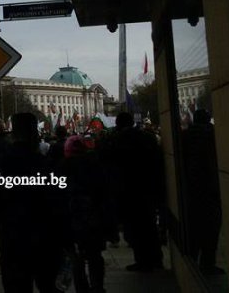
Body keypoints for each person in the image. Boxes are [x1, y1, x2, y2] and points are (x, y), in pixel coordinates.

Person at [0, 113, 62, 292]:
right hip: (44, 238)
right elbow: (57, 202)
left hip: (12, 237)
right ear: (35, 134)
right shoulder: (46, 164)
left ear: (13, 133)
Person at [109, 112, 164, 271]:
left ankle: (142, 260)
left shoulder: (118, 139)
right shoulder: (148, 137)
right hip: (148, 187)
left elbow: (110, 162)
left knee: (134, 227)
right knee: (149, 225)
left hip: (128, 190)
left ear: (118, 124)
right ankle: (156, 259)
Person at [60, 134, 111, 292]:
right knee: (95, 255)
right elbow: (105, 194)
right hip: (93, 219)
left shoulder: (61, 168)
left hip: (71, 220)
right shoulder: (96, 166)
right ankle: (97, 287)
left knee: (76, 258)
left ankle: (82, 288)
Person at [183, 109, 224, 275]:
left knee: (193, 228)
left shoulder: (184, 136)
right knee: (211, 230)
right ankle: (208, 263)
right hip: (211, 189)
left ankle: (191, 259)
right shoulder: (214, 135)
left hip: (190, 191)